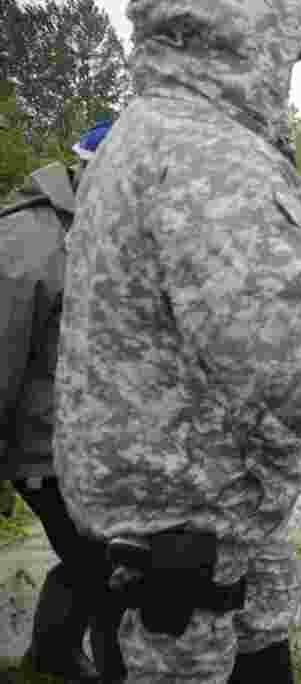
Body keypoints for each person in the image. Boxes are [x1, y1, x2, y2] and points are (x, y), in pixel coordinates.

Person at [53, 2, 301, 682]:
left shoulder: (145, 132)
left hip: (191, 509)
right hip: (181, 526)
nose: (286, 75)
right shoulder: (209, 153)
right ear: (247, 38)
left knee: (260, 635)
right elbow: (289, 350)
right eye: (286, 52)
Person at [0, 125, 122, 682]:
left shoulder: (104, 227)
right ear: (89, 168)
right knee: (106, 569)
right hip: (42, 450)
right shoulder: (29, 239)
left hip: (92, 446)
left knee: (92, 559)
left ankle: (50, 654)